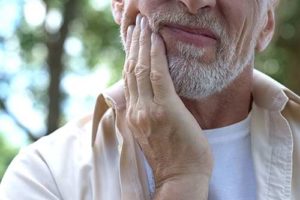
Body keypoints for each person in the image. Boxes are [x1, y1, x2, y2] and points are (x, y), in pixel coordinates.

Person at [1, 0, 300, 199]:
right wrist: (180, 180)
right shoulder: (46, 176)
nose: (194, 1)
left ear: (266, 24)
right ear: (119, 2)